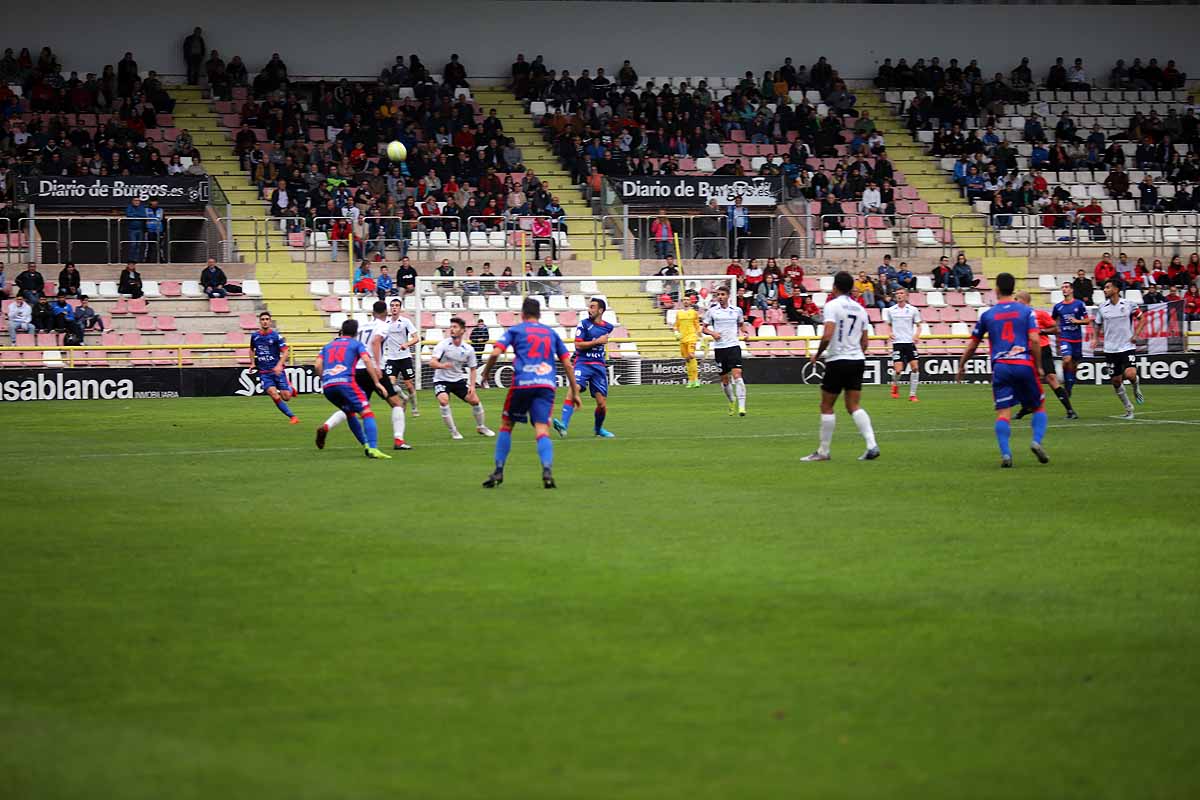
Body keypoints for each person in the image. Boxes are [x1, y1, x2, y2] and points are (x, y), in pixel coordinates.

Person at [480, 297, 581, 489]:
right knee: (542, 429)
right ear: (540, 314)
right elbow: (567, 363)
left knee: (506, 426)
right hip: (545, 385)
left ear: (523, 314)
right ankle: (547, 469)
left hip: (522, 384)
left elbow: (494, 353)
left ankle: (499, 470)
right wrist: (575, 391)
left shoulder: (516, 330)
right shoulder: (550, 333)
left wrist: (485, 374)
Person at [956, 272, 1049, 468]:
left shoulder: (987, 315)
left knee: (1003, 414)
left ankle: (1006, 454)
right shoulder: (1026, 312)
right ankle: (1036, 441)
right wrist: (1039, 366)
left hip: (1001, 367)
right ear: (1013, 289)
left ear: (996, 289)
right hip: (1023, 364)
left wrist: (962, 364)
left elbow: (972, 345)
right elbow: (1034, 340)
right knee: (1038, 406)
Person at [801, 271, 880, 462]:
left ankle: (823, 451)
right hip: (857, 360)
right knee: (853, 405)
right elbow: (865, 341)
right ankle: (872, 445)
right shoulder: (860, 309)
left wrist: (817, 354)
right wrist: (856, 353)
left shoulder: (832, 306)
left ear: (835, 287)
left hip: (838, 360)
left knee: (827, 405)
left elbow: (828, 334)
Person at [313, 319, 392, 459]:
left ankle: (366, 445)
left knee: (349, 412)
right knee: (367, 413)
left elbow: (317, 365)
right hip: (346, 383)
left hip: (328, 386)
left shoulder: (328, 346)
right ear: (356, 332)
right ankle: (373, 448)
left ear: (342, 331)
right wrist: (377, 382)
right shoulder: (356, 344)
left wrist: (324, 379)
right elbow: (367, 361)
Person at [554, 297, 616, 438]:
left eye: (593, 307)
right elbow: (578, 345)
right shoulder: (583, 325)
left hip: (599, 366)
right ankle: (563, 424)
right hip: (583, 363)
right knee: (574, 389)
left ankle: (598, 429)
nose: (590, 310)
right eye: (589, 307)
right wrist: (597, 342)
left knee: (601, 404)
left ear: (600, 310)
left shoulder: (608, 327)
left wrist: (598, 342)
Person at [1016, 291, 1077, 420]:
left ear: (1023, 301)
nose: (1015, 302)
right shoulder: (1017, 317)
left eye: (1017, 299)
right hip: (1026, 351)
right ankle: (1026, 407)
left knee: (1051, 379)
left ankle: (1070, 410)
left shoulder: (1040, 314)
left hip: (1042, 349)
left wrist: (1042, 331)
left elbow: (1056, 329)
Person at [431, 317, 494, 440]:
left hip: (458, 380)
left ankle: (481, 427)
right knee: (443, 400)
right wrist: (442, 365)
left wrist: (472, 386)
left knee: (475, 401)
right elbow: (432, 363)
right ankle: (454, 431)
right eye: (451, 327)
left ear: (462, 330)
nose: (452, 330)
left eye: (455, 327)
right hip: (441, 380)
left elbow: (473, 368)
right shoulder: (443, 344)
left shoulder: (468, 349)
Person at [1094, 279, 1145, 419]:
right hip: (1110, 349)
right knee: (1116, 381)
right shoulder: (1102, 307)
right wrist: (1095, 338)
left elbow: (1142, 319)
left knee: (1129, 374)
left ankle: (1136, 387)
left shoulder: (1129, 305)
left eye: (1107, 287)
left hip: (1127, 346)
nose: (1104, 290)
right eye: (1104, 288)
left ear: (1116, 290)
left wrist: (1136, 335)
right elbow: (1097, 324)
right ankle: (1129, 408)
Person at [701, 285, 751, 416]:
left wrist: (745, 333)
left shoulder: (736, 310)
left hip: (733, 346)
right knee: (725, 380)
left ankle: (742, 407)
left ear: (728, 296)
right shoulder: (712, 311)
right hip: (720, 348)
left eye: (723, 294)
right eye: (718, 295)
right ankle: (731, 401)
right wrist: (713, 333)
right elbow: (703, 328)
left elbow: (741, 325)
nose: (720, 297)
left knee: (737, 376)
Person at [249, 311, 299, 424]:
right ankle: (292, 417)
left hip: (277, 371)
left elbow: (286, 352)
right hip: (264, 372)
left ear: (270, 321)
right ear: (260, 322)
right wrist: (252, 363)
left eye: (267, 319)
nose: (265, 321)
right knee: (273, 393)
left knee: (286, 397)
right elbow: (252, 349)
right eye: (262, 319)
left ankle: (291, 389)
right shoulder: (255, 336)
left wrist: (279, 365)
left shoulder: (276, 336)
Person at [381, 298, 421, 418]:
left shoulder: (405, 322)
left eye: (396, 305)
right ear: (390, 308)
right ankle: (404, 398)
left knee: (409, 385)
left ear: (400, 308)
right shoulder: (385, 323)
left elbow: (416, 338)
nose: (394, 307)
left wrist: (407, 344)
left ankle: (414, 407)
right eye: (392, 305)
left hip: (405, 358)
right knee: (390, 384)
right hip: (391, 358)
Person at [1051, 282, 1092, 398]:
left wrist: (1077, 321)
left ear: (1071, 290)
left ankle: (1068, 386)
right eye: (1062, 287)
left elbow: (1087, 320)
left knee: (1074, 365)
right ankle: (1066, 385)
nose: (1064, 289)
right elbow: (1053, 321)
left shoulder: (1079, 304)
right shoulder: (1058, 306)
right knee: (1067, 359)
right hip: (1065, 338)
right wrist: (1056, 329)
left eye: (1066, 287)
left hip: (1077, 339)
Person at [884, 288, 921, 401]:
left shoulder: (913, 310)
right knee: (899, 370)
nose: (899, 295)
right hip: (898, 343)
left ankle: (912, 395)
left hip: (909, 342)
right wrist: (890, 332)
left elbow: (919, 325)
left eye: (901, 293)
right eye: (897, 293)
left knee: (915, 368)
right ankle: (895, 385)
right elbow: (889, 324)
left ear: (906, 296)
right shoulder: (891, 310)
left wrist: (916, 335)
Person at [673, 293, 702, 387]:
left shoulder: (694, 312)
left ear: (690, 302)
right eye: (684, 300)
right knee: (687, 359)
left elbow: (697, 325)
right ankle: (691, 380)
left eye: (687, 300)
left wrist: (699, 335)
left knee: (691, 355)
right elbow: (676, 325)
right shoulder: (679, 313)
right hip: (682, 338)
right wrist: (676, 332)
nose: (686, 301)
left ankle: (696, 379)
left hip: (692, 337)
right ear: (682, 302)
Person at [125, 196, 148, 261]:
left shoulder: (142, 207)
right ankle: (130, 259)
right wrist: (138, 215)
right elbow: (128, 215)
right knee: (133, 244)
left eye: (138, 200)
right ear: (132, 201)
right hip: (132, 230)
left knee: (138, 245)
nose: (137, 202)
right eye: (135, 200)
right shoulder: (129, 207)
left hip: (140, 229)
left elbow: (144, 215)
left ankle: (136, 259)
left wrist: (134, 215)